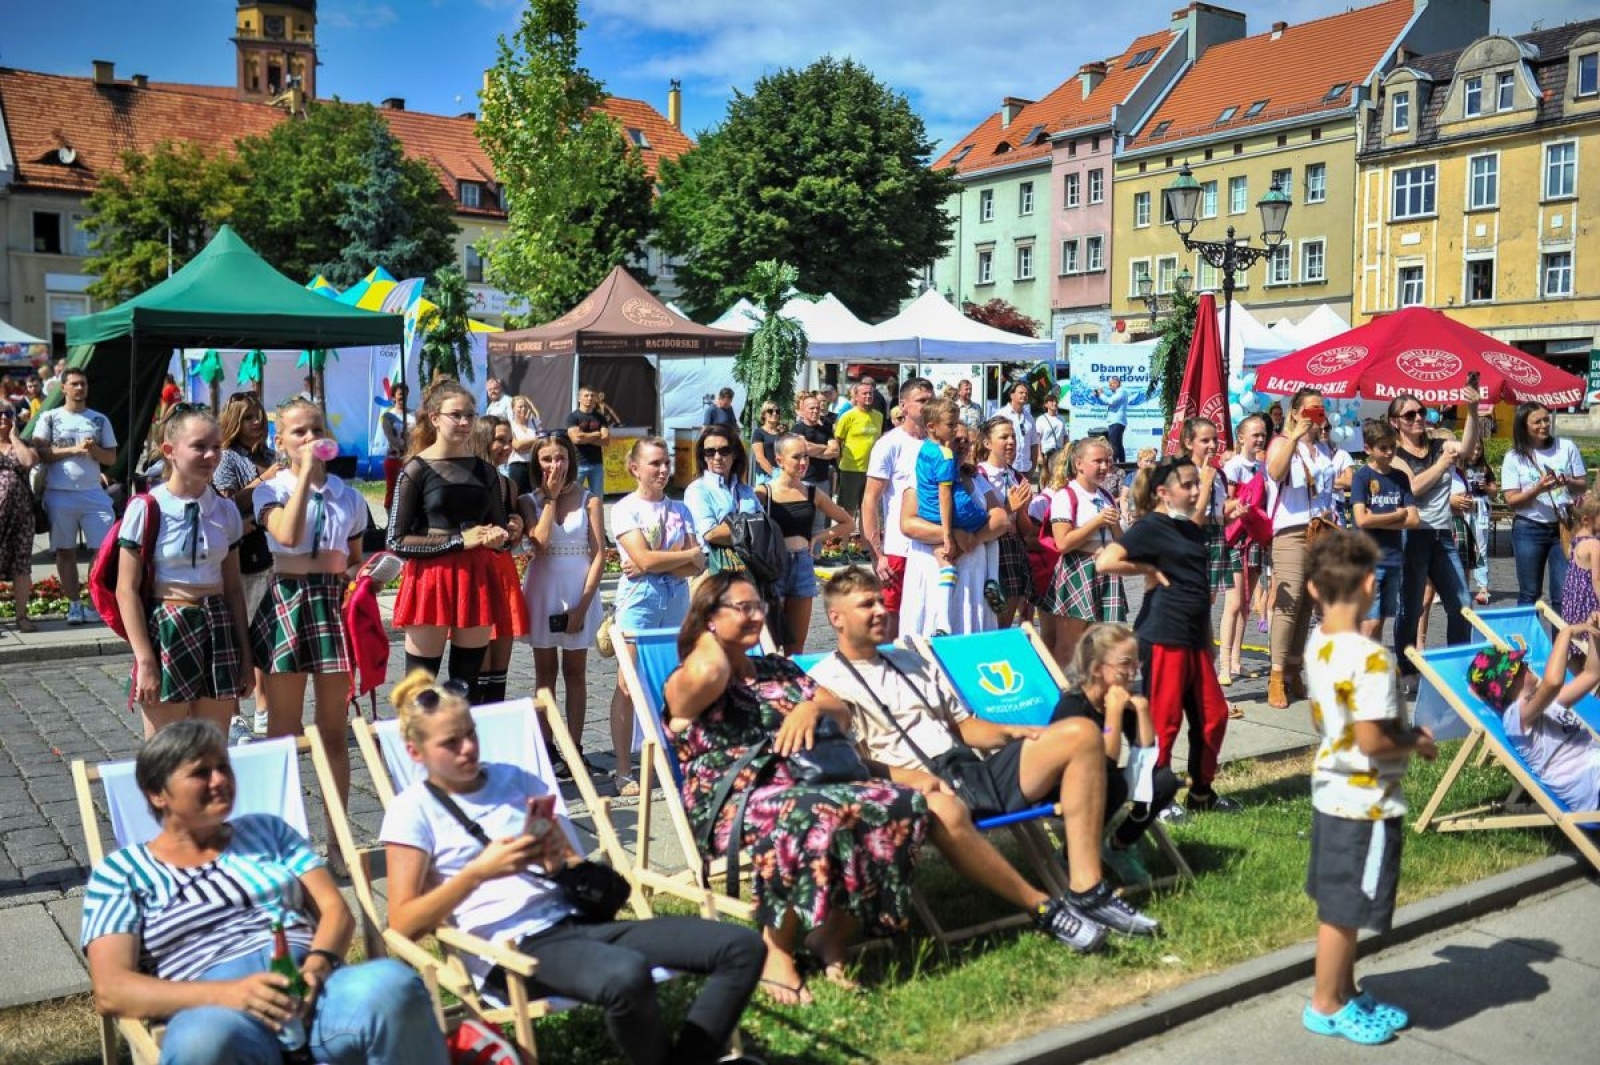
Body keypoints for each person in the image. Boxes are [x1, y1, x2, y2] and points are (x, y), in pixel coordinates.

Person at [379, 672, 764, 1064]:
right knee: (626, 975)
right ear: (415, 752)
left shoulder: (514, 779)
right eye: (451, 742)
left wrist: (558, 866)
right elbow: (403, 923)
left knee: (741, 947)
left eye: (471, 734)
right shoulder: (412, 811)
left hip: (577, 924)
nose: (467, 749)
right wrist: (478, 872)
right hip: (512, 951)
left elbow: (572, 862)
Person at [808, 570, 1158, 944]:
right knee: (944, 806)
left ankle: (1088, 888)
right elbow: (857, 764)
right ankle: (1044, 910)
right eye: (867, 604)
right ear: (837, 619)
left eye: (880, 600)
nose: (880, 610)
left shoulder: (910, 660)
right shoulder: (826, 684)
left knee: (1082, 734)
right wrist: (911, 779)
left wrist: (1012, 732)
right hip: (915, 787)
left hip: (970, 770)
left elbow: (964, 726)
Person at [82, 720, 447, 1065]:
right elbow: (112, 989)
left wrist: (318, 966)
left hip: (312, 991)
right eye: (201, 772)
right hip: (213, 1009)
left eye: (224, 767)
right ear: (157, 793)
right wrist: (230, 994)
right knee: (200, 1045)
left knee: (393, 986)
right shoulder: (122, 872)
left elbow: (335, 910)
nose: (220, 779)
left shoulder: (267, 831)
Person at [665, 573, 930, 1005]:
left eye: (759, 607)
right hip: (737, 800)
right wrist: (710, 631)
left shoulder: (778, 668)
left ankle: (830, 934)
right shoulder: (692, 677)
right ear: (709, 618)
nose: (756, 617)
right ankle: (776, 950)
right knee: (817, 814)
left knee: (902, 802)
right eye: (743, 608)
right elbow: (710, 670)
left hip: (809, 784)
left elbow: (840, 711)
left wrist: (808, 709)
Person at [1301, 530, 1437, 1045]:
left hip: (1330, 789)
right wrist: (1416, 742)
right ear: (1368, 583)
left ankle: (1345, 987)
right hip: (1365, 802)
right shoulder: (1371, 658)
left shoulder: (1318, 644)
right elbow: (1374, 739)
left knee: (1342, 903)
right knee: (1345, 908)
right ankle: (1326, 1003)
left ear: (1314, 590)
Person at [1096, 456, 1236, 819]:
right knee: (1165, 721)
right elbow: (1107, 560)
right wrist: (1146, 568)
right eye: (1187, 485)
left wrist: (1207, 642)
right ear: (1163, 492)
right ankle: (1154, 799)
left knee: (1214, 716)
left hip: (1192, 639)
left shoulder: (1189, 528)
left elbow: (1199, 586)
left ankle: (1201, 793)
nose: (1195, 491)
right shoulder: (1151, 526)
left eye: (1197, 485)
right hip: (1162, 635)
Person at [253, 399, 367, 842]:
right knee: (282, 734)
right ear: (279, 441)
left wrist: (367, 575)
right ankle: (281, 839)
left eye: (316, 429)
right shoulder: (273, 489)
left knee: (335, 733)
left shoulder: (350, 496)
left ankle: (338, 839)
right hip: (287, 603)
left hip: (332, 605)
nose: (311, 438)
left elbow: (354, 559)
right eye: (298, 432)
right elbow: (286, 535)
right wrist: (302, 475)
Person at [117, 409, 253, 740]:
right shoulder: (148, 508)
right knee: (165, 750)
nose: (211, 456)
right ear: (169, 451)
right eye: (199, 446)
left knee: (213, 745)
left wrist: (245, 656)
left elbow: (233, 588)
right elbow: (126, 589)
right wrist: (145, 659)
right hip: (167, 626)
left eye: (217, 447)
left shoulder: (225, 510)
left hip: (217, 624)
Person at [388, 381, 517, 695]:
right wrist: (459, 541)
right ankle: (415, 745)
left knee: (466, 684)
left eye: (469, 416)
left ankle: (461, 743)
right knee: (421, 687)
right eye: (455, 415)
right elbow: (396, 540)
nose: (464, 422)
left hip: (476, 578)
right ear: (434, 418)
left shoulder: (486, 472)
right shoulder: (415, 470)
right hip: (430, 579)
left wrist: (504, 535)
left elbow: (501, 534)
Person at [1053, 622, 1183, 890]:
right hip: (1061, 788)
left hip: (1101, 782)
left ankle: (1118, 846)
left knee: (1164, 780)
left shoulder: (1119, 699)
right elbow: (1106, 761)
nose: (1133, 671)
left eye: (1136, 662)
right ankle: (1070, 856)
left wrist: (1143, 711)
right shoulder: (1073, 706)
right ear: (1097, 668)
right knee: (1113, 783)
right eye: (1125, 663)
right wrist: (1113, 712)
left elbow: (1148, 757)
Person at [607, 437, 705, 791]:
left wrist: (657, 561)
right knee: (628, 684)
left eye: (666, 463)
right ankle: (623, 769)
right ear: (635, 468)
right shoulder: (625, 509)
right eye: (655, 464)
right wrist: (678, 555)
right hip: (639, 601)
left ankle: (670, 759)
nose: (663, 469)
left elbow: (698, 564)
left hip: (676, 600)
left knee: (672, 679)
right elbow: (645, 559)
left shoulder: (681, 509)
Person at [519, 432, 605, 777]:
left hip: (578, 585)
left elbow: (598, 554)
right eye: (547, 459)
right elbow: (538, 543)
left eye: (561, 458)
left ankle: (575, 747)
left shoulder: (590, 500)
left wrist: (583, 606)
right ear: (536, 463)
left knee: (575, 671)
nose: (555, 465)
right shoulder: (529, 501)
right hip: (543, 585)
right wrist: (550, 499)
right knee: (545, 672)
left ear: (571, 459)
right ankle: (546, 747)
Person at [1391, 388, 1479, 687]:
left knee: (1462, 603)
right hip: (1412, 536)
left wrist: (1473, 408)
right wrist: (1442, 464)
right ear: (1395, 422)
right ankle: (1406, 666)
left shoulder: (1439, 442)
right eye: (1410, 415)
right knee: (1412, 607)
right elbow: (1413, 488)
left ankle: (1457, 669)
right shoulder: (1395, 453)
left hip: (1442, 534)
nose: (1418, 418)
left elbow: (1466, 449)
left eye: (1421, 412)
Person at [1470, 624, 1600, 812]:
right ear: (1510, 681)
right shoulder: (1515, 717)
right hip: (1589, 788)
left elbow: (1592, 674)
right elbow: (1553, 682)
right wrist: (1565, 633)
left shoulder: (1547, 704)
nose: (1528, 666)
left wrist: (1593, 632)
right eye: (1522, 666)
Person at [898, 421, 1009, 637]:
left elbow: (1001, 519)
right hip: (932, 569)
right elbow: (908, 523)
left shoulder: (975, 478)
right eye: (957, 440)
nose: (963, 445)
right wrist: (952, 535)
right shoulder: (924, 475)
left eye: (967, 441)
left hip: (973, 572)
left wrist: (973, 538)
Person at [1264, 389, 1338, 709]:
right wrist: (1293, 437)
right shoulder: (1282, 444)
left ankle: (1294, 668)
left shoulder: (1321, 448)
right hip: (1291, 531)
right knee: (1288, 602)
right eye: (1310, 411)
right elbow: (1275, 473)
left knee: (1307, 604)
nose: (1316, 417)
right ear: (1295, 413)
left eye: (1320, 411)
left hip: (1319, 530)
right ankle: (1276, 675)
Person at [30, 367, 117, 625]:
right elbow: (42, 452)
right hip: (60, 493)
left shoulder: (99, 420)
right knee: (65, 551)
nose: (80, 389)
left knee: (102, 551)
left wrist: (94, 450)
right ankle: (74, 605)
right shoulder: (50, 418)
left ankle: (94, 601)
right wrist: (74, 449)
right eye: (75, 384)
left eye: (84, 384)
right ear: (63, 388)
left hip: (93, 494)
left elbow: (110, 458)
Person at [213, 392, 278, 732]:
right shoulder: (227, 458)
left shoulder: (270, 454)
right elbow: (227, 505)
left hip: (273, 553)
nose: (257, 423)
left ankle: (264, 710)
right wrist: (263, 481)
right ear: (236, 421)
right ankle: (236, 713)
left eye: (260, 415)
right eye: (249, 417)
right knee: (239, 634)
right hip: (243, 554)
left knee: (266, 635)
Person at [758, 434, 852, 655]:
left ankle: (793, 688)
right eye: (796, 457)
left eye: (806, 457)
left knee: (796, 648)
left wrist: (818, 537)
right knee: (769, 646)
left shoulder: (812, 492)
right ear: (779, 460)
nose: (803, 463)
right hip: (774, 568)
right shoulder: (764, 492)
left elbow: (847, 523)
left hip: (802, 566)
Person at [862, 377, 933, 639]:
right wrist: (877, 553)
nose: (927, 406)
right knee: (890, 621)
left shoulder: (937, 444)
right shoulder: (889, 444)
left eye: (930, 400)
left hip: (930, 547)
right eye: (921, 401)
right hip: (898, 548)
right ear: (903, 406)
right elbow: (870, 500)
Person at [1044, 438, 1125, 667]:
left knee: (1098, 643)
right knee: (1069, 644)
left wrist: (1115, 525)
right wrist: (1097, 521)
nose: (1104, 467)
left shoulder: (1106, 496)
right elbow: (1063, 543)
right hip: (1079, 569)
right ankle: (1063, 694)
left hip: (1106, 570)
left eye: (1107, 462)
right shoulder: (1066, 495)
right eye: (1097, 461)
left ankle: (1090, 694)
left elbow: (1120, 540)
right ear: (1079, 464)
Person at [1501, 401, 1585, 607]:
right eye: (1537, 421)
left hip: (1564, 526)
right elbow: (1511, 501)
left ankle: (1562, 640)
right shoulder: (1514, 457)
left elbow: (1582, 486)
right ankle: (1528, 640)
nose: (1544, 425)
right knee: (1529, 593)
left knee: (1563, 594)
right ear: (1524, 426)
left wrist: (1568, 481)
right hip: (1529, 528)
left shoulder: (1566, 447)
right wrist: (1538, 488)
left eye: (1546, 419)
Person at [472, 416, 529, 706]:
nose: (507, 447)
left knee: (500, 665)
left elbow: (513, 533)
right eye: (500, 440)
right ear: (483, 440)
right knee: (478, 660)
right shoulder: (466, 479)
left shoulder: (508, 485)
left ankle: (495, 728)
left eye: (509, 440)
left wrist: (517, 526)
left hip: (502, 570)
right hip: (476, 574)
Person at [1350, 419, 1419, 644]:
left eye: (1392, 447)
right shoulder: (1362, 476)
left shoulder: (1399, 478)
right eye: (1383, 448)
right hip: (1369, 560)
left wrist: (1377, 519)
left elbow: (1413, 519)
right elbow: (1361, 519)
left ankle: (1372, 669)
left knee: (1379, 621)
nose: (1389, 452)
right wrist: (1396, 516)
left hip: (1393, 558)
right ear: (1368, 449)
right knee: (1369, 622)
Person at [975, 415, 1041, 626]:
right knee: (990, 614)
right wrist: (1008, 508)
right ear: (987, 443)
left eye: (1013, 436)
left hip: (1013, 546)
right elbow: (979, 519)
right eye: (1004, 437)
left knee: (1007, 615)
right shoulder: (979, 474)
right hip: (989, 545)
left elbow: (1026, 530)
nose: (1011, 441)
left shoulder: (1017, 477)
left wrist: (1021, 511)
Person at [1219, 416, 1268, 685]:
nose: (1259, 439)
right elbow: (1226, 504)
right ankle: (1224, 663)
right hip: (1236, 538)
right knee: (1234, 603)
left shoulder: (1261, 466)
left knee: (1246, 604)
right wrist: (1240, 504)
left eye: (1262, 434)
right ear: (1240, 437)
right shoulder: (1234, 466)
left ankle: (1236, 660)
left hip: (1255, 537)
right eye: (1254, 434)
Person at [0, 404, 38, 632]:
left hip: (21, 514)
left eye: (8, 414)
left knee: (21, 565)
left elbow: (27, 462)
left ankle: (22, 616)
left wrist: (14, 437)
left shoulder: (23, 443)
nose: (4, 417)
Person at [833, 380, 884, 525]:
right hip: (851, 469)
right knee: (848, 509)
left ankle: (863, 544)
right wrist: (840, 462)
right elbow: (838, 441)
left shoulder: (879, 416)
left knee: (867, 508)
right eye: (864, 393)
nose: (868, 396)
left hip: (872, 470)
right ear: (856, 396)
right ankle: (843, 544)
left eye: (871, 393)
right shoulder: (848, 416)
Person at [1460, 436, 1496, 605]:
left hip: (1480, 507)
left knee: (1480, 547)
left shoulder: (1485, 468)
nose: (1475, 453)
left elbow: (1494, 492)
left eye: (1479, 450)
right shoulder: (1459, 467)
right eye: (1472, 449)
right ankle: (1460, 586)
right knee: (1461, 547)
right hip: (1463, 507)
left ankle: (1483, 587)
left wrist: (1486, 487)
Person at [1560, 496, 1600, 628]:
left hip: (1572, 603)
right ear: (1586, 520)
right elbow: (1597, 580)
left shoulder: (1575, 539)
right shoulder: (1594, 544)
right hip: (1588, 606)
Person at [792, 390, 839, 500]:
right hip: (804, 480)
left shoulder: (825, 429)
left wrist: (811, 452)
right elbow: (803, 447)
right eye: (811, 408)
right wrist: (824, 447)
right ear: (803, 410)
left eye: (817, 408)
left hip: (823, 480)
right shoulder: (798, 428)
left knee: (821, 516)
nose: (815, 411)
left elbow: (835, 450)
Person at [566, 384, 609, 497]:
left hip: (597, 464)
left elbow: (605, 440)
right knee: (572, 496)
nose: (589, 398)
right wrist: (596, 434)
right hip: (578, 463)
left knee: (597, 497)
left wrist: (584, 437)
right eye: (586, 395)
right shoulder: (573, 417)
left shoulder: (600, 418)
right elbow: (576, 439)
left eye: (592, 395)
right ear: (579, 398)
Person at [380, 382, 414, 513]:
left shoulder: (414, 414)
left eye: (405, 394)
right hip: (395, 458)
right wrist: (403, 446)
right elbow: (390, 437)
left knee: (410, 488)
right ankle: (390, 516)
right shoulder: (388, 416)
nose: (403, 397)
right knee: (393, 488)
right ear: (393, 397)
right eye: (400, 394)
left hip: (411, 457)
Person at [996, 382, 1040, 479]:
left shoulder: (1030, 418)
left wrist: (1032, 469)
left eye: (1026, 394)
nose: (1024, 395)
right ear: (1012, 395)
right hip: (1006, 468)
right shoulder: (1002, 414)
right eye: (1021, 393)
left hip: (1025, 470)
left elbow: (1034, 445)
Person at [505, 395, 542, 497]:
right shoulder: (510, 425)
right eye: (520, 407)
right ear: (513, 409)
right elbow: (517, 446)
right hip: (517, 466)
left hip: (533, 465)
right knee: (517, 496)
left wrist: (528, 401)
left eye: (525, 406)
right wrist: (536, 440)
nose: (524, 409)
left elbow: (543, 441)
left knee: (535, 497)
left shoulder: (533, 423)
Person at [748, 402, 784, 486]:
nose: (774, 413)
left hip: (781, 473)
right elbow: (760, 458)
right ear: (764, 414)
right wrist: (774, 474)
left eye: (777, 411)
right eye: (770, 411)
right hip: (765, 476)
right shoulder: (759, 433)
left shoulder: (781, 433)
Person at [1096, 377, 1129, 465]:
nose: (1110, 387)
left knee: (1113, 445)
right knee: (1118, 445)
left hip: (1116, 422)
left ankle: (1114, 465)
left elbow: (1110, 401)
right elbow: (1106, 401)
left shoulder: (1121, 392)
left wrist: (1101, 394)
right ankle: (1122, 464)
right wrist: (1098, 395)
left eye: (1111, 384)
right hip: (1117, 421)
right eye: (1109, 385)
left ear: (1117, 383)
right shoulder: (1119, 392)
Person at [1036, 393, 1066, 475]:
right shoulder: (1041, 419)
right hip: (1046, 453)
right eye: (1051, 401)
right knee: (1044, 479)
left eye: (1056, 401)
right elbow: (1037, 438)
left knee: (1057, 478)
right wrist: (1039, 455)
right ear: (1046, 404)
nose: (1055, 403)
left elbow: (1065, 436)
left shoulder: (1061, 418)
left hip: (1058, 453)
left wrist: (1067, 452)